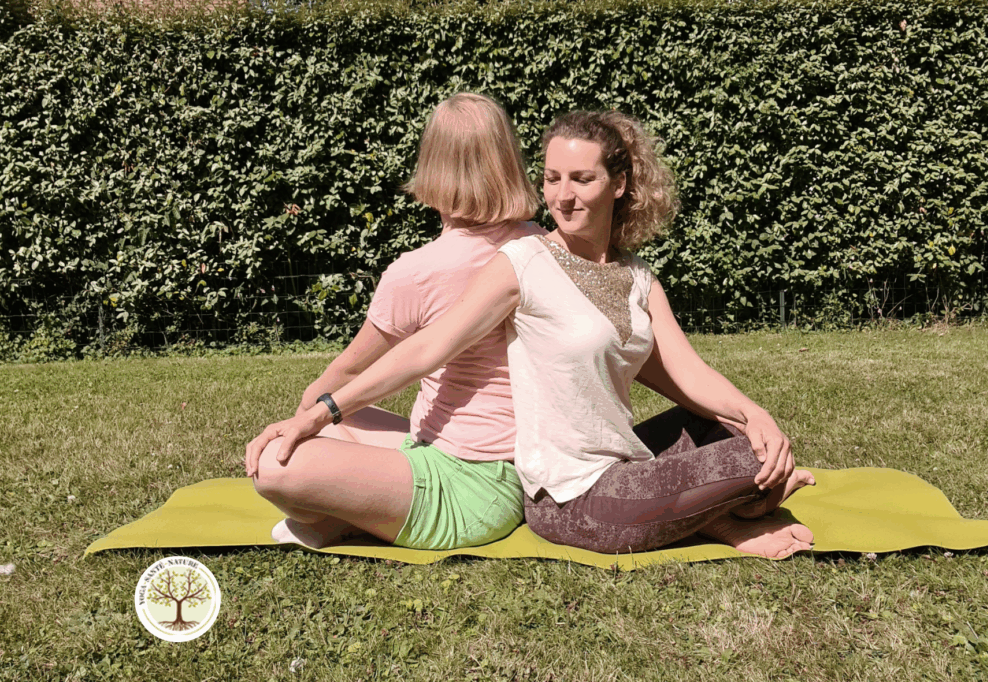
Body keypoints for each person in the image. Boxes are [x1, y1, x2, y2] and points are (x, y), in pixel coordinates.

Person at [247, 109, 816, 559]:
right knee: (748, 461)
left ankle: (718, 502)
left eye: (582, 178)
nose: (563, 195)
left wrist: (754, 414)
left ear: (619, 184)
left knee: (738, 433)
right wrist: (320, 413)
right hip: (565, 493)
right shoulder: (524, 258)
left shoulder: (638, 278)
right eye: (552, 178)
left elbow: (685, 371)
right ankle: (724, 513)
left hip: (601, 466)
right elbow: (428, 348)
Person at [244, 92, 546, 551]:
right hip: (511, 465)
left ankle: (345, 517)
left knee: (274, 463)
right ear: (507, 159)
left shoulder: (420, 270)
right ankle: (350, 512)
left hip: (471, 490)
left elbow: (344, 373)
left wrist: (299, 422)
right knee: (327, 420)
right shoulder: (540, 242)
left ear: (432, 164)